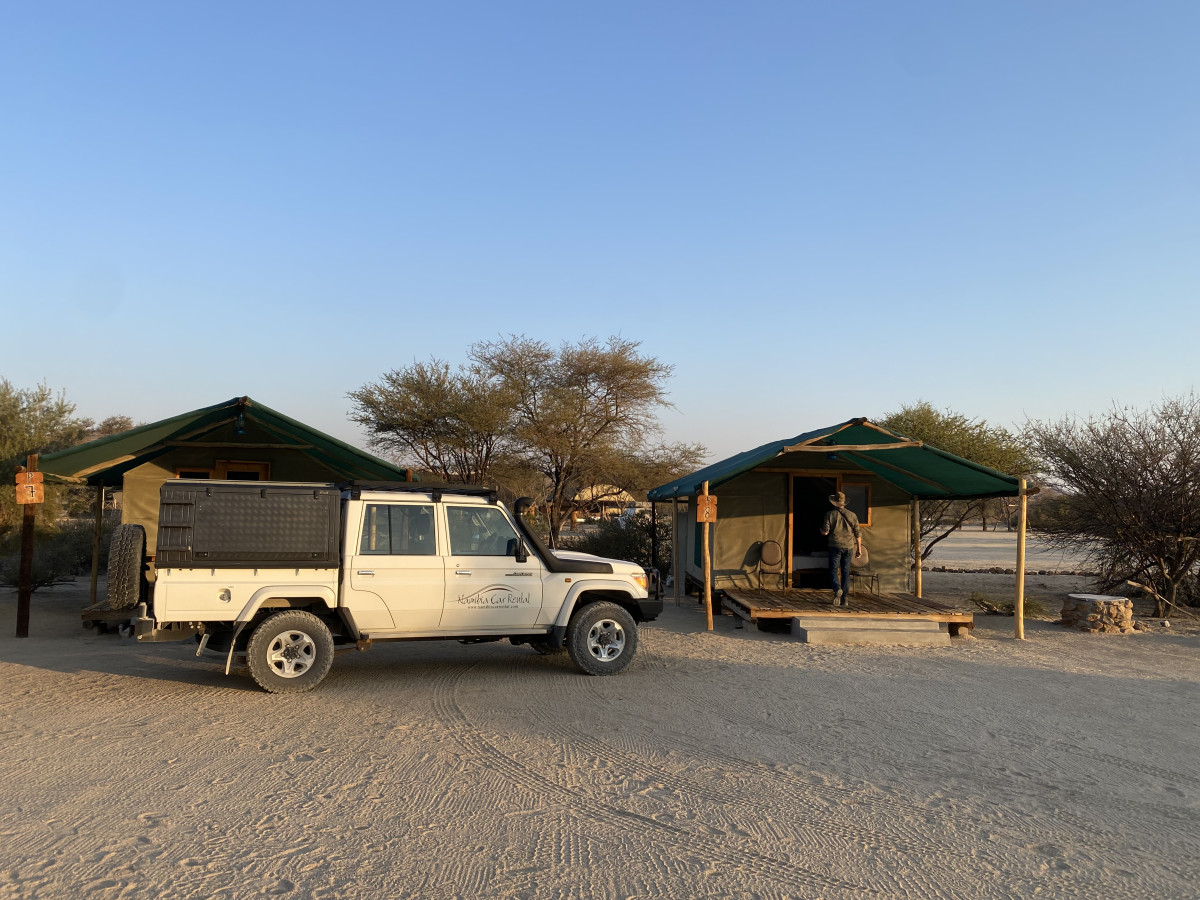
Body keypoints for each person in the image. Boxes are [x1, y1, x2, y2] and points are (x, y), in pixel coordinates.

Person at [819, 491, 862, 607]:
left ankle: (837, 588)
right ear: (844, 503)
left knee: (833, 570)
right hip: (849, 547)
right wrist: (859, 549)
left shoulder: (829, 514)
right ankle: (845, 598)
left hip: (835, 545)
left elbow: (826, 532)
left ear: (834, 503)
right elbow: (858, 534)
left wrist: (822, 531)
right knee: (845, 572)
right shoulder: (852, 515)